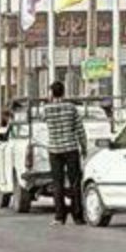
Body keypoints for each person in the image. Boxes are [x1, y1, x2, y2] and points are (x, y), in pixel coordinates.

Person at [41, 81, 87, 226]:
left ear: (51, 93)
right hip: (71, 148)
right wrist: (84, 146)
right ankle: (77, 216)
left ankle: (59, 217)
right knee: (74, 182)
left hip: (54, 150)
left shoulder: (46, 109)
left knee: (57, 183)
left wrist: (50, 101)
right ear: (64, 92)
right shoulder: (71, 108)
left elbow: (43, 119)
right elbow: (79, 129)